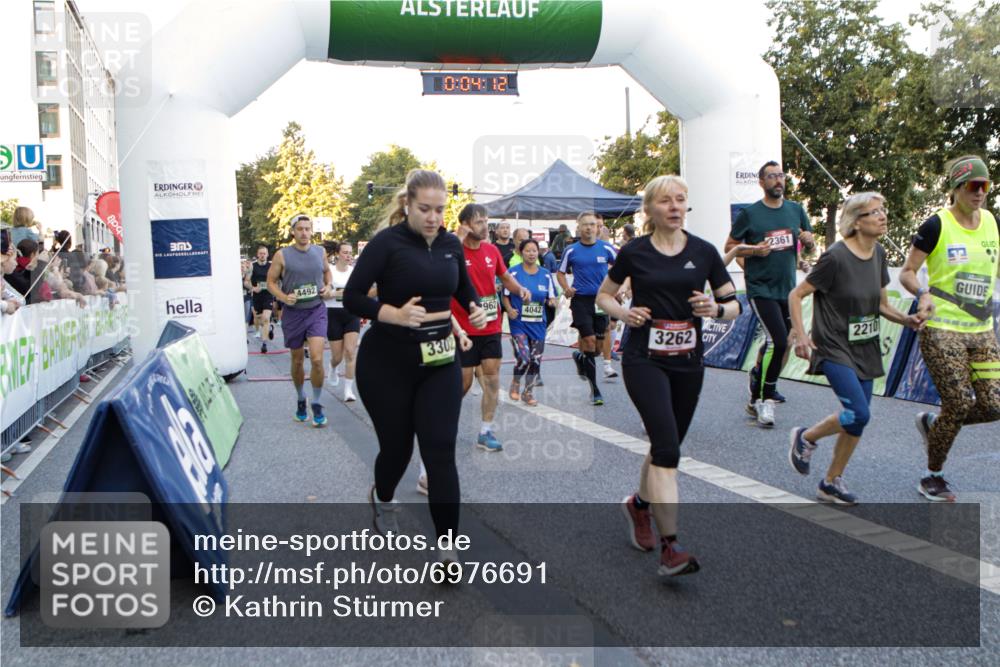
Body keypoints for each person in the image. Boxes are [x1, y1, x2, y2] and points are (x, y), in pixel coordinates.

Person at [598, 175, 740, 576]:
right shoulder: (634, 252)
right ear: (650, 210)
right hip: (644, 359)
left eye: (681, 200)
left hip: (688, 361)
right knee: (668, 451)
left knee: (666, 444)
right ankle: (671, 547)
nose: (675, 207)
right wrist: (624, 313)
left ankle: (638, 506)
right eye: (665, 201)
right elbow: (604, 296)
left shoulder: (704, 251)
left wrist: (715, 309)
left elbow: (733, 306)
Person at [343, 169, 487, 556]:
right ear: (407, 204)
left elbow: (463, 289)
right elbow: (353, 297)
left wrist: (474, 310)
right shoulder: (386, 244)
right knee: (397, 451)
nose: (433, 218)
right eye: (424, 208)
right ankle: (384, 499)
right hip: (387, 363)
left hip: (439, 360)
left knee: (440, 449)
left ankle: (447, 549)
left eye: (440, 210)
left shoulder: (451, 245)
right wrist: (392, 314)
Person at [787, 193, 924, 505]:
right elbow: (796, 295)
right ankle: (807, 437)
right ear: (856, 222)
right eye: (874, 212)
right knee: (858, 412)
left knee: (858, 419)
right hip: (833, 345)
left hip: (866, 346)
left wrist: (907, 320)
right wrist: (800, 334)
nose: (882, 216)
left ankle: (831, 481)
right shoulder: (834, 257)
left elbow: (881, 305)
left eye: (883, 210)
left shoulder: (878, 254)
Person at [899, 155, 1000, 502]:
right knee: (957, 403)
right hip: (942, 327)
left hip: (982, 330)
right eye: (974, 185)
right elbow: (907, 272)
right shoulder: (936, 225)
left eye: (985, 186)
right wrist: (922, 293)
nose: (981, 192)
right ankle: (933, 475)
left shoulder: (990, 221)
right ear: (957, 188)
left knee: (994, 405)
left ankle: (935, 425)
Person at [725, 160, 816, 427]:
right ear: (761, 182)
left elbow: (806, 245)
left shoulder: (795, 210)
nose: (778, 180)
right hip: (760, 288)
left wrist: (809, 244)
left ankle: (756, 386)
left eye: (781, 176)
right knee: (778, 340)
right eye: (772, 176)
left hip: (787, 290)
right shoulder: (751, 214)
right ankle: (766, 400)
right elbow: (730, 246)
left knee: (783, 341)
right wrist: (753, 251)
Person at [452, 204, 529, 452]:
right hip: (462, 328)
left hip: (491, 324)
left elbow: (504, 277)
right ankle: (442, 423)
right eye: (478, 222)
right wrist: (456, 237)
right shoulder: (453, 250)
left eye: (486, 221)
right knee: (462, 383)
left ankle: (485, 431)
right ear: (465, 224)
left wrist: (519, 289)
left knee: (492, 379)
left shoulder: (492, 250)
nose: (485, 226)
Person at [267, 215, 333, 427]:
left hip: (316, 310)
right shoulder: (282, 255)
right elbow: (270, 282)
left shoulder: (320, 252)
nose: (304, 233)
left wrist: (328, 286)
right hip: (293, 313)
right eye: (300, 229)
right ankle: (300, 397)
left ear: (311, 231)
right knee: (296, 360)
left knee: (316, 358)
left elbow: (327, 273)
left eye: (307, 229)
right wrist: (284, 297)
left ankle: (316, 401)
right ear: (293, 232)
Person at [558, 212, 618, 405]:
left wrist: (622, 287)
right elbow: (560, 273)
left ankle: (580, 357)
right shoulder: (571, 250)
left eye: (592, 224)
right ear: (579, 227)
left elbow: (622, 268)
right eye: (585, 225)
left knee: (599, 348)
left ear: (597, 227)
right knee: (590, 341)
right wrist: (567, 288)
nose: (589, 228)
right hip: (581, 301)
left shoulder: (606, 248)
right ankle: (595, 389)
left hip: (601, 301)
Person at [503, 238, 557, 406]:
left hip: (538, 324)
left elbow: (552, 297)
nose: (532, 253)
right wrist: (509, 309)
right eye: (528, 250)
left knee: (536, 359)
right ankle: (515, 382)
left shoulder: (545, 274)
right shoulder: (513, 273)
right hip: (519, 322)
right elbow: (505, 295)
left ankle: (528, 392)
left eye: (534, 250)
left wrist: (552, 302)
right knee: (524, 358)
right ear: (521, 252)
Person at [323, 241, 362, 402]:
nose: (348, 256)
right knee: (337, 356)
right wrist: (339, 294)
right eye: (345, 252)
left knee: (351, 353)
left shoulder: (354, 271)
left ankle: (348, 390)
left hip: (351, 314)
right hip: (333, 313)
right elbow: (324, 295)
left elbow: (359, 293)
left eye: (350, 252)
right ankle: (333, 367)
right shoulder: (329, 271)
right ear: (338, 254)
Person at [247, 245, 274, 353]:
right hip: (257, 296)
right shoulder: (252, 266)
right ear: (257, 255)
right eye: (260, 253)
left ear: (267, 255)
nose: (262, 255)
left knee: (266, 318)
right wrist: (253, 288)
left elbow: (276, 279)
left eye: (264, 253)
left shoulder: (271, 266)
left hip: (268, 295)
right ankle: (270, 328)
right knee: (258, 319)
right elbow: (246, 281)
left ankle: (264, 344)